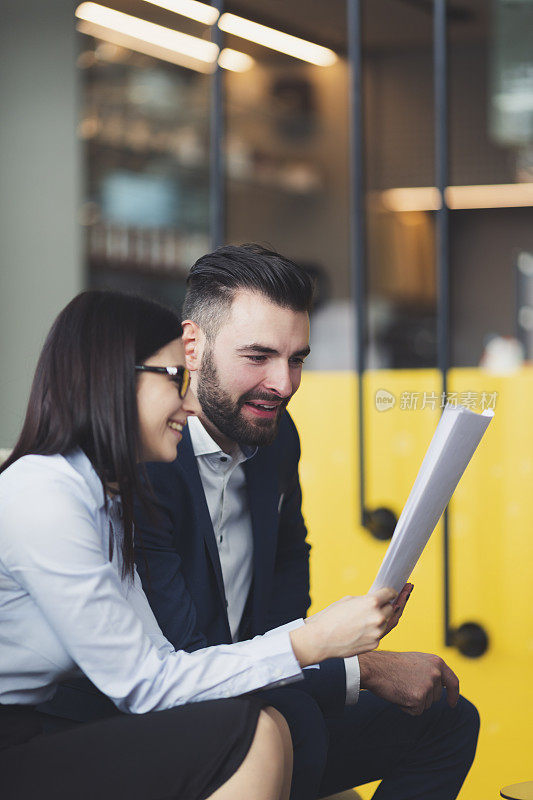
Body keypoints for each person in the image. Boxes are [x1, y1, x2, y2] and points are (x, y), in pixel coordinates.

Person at [0, 289, 395, 800]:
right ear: (113, 379)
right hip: (15, 742)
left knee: (265, 727)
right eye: (175, 379)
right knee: (250, 734)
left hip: (29, 734)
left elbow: (162, 667)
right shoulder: (44, 494)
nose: (190, 405)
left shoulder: (107, 500)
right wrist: (310, 641)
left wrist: (311, 643)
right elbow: (143, 685)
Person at [133, 245, 481, 800]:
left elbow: (290, 558)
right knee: (295, 733)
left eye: (297, 359)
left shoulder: (276, 436)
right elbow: (182, 657)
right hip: (180, 713)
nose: (285, 383)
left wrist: (328, 662)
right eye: (259, 357)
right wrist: (358, 668)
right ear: (192, 347)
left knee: (448, 716)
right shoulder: (147, 458)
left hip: (268, 683)